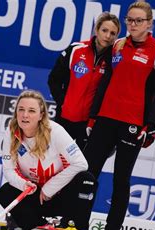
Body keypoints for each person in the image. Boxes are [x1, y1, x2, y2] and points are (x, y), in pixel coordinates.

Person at [83, 2, 155, 230]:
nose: (133, 25)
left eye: (138, 20)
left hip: (132, 125)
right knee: (88, 174)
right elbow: (104, 83)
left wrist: (151, 125)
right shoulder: (118, 45)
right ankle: (78, 225)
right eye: (130, 20)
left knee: (121, 180)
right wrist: (92, 117)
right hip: (105, 119)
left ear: (149, 23)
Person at [0, 90, 96, 230]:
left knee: (87, 180)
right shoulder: (11, 131)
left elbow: (81, 163)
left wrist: (50, 188)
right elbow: (9, 170)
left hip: (59, 195)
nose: (25, 115)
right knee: (5, 192)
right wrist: (23, 184)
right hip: (35, 195)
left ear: (41, 115)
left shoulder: (55, 131)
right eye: (21, 110)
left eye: (31, 111)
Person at [48, 12, 120, 149]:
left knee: (81, 167)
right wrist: (63, 102)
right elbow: (54, 79)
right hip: (64, 118)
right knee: (54, 162)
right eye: (104, 30)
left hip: (89, 124)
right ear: (96, 29)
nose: (108, 36)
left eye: (113, 33)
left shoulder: (115, 59)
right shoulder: (76, 50)